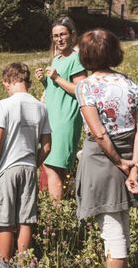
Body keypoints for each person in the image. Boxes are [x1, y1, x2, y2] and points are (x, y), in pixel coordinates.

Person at [74, 29, 138, 268]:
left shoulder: (86, 87)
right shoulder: (129, 83)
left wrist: (119, 162)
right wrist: (134, 166)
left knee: (113, 235)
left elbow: (99, 133)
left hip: (101, 161)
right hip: (129, 157)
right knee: (121, 230)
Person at [0, 63, 51, 267]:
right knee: (26, 218)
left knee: (5, 220)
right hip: (29, 167)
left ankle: (5, 262)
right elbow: (46, 147)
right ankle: (23, 262)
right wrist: (33, 163)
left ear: (7, 82)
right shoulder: (40, 107)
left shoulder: (4, 105)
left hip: (6, 170)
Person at [34, 16, 87, 206]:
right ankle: (59, 210)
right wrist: (44, 80)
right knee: (57, 167)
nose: (59, 39)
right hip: (52, 117)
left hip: (65, 119)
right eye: (55, 36)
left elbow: (80, 90)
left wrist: (56, 78)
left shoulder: (76, 59)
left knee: (52, 166)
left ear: (72, 35)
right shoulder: (56, 59)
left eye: (63, 34)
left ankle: (55, 213)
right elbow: (54, 90)